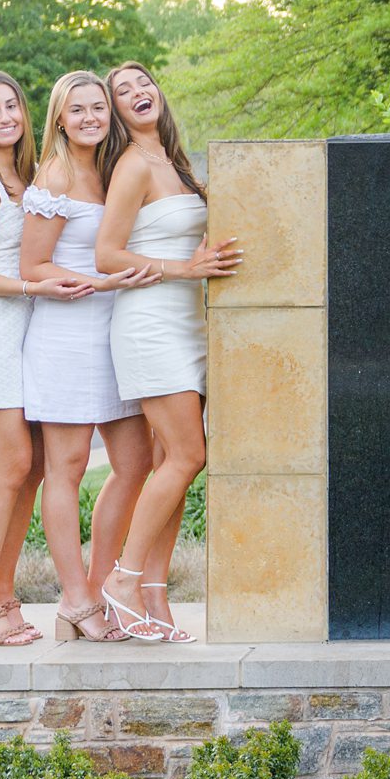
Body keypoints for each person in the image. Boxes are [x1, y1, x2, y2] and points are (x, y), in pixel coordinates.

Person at [95, 63, 242, 641]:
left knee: (169, 466)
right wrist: (185, 268)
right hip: (150, 324)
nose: (138, 94)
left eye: (143, 84)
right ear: (115, 112)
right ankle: (123, 579)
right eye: (122, 92)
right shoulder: (132, 165)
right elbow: (106, 255)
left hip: (189, 323)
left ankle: (154, 593)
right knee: (188, 456)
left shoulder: (173, 162)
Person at [0, 70, 92, 645]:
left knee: (31, 470)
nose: (5, 116)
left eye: (12, 106)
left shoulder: (28, 177)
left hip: (27, 335)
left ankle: (3, 592)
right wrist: (35, 289)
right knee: (8, 466)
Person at [21, 71, 157, 642]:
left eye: (98, 107)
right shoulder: (56, 174)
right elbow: (33, 267)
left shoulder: (118, 167)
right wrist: (102, 283)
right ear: (59, 118)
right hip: (66, 335)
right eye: (76, 110)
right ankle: (74, 601)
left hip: (117, 334)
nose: (89, 118)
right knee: (68, 467)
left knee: (135, 463)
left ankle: (103, 586)